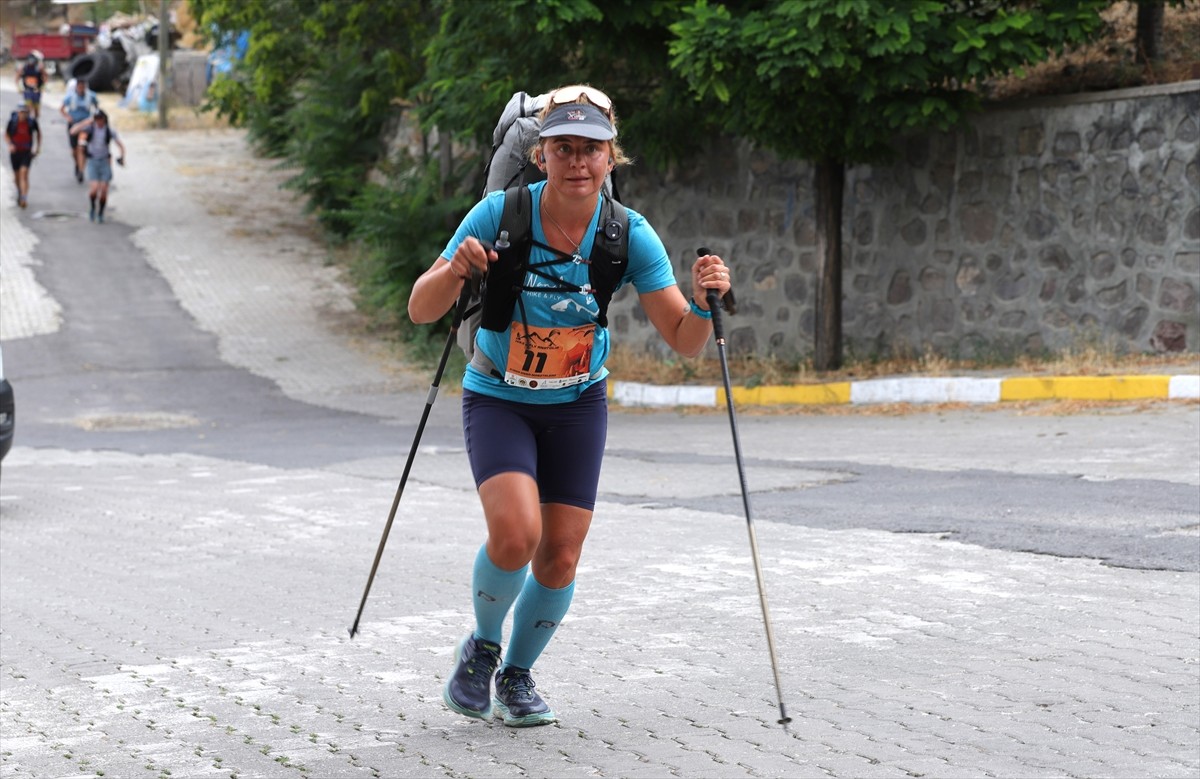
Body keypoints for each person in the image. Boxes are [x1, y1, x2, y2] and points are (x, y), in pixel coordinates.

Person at [407, 85, 732, 728]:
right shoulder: (498, 216)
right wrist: (455, 271)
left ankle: (517, 676)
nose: (577, 163)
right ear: (541, 154)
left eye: (591, 150)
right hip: (499, 396)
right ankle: (482, 647)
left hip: (578, 404)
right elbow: (420, 308)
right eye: (564, 149)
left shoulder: (627, 233)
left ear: (611, 159)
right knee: (516, 534)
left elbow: (685, 341)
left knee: (559, 554)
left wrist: (703, 301)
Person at [69, 110, 126, 223]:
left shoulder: (109, 131)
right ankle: (93, 208)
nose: (99, 122)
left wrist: (122, 157)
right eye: (97, 119)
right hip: (93, 161)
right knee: (94, 189)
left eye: (101, 119)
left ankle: (101, 212)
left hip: (105, 161)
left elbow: (120, 144)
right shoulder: (90, 129)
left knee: (104, 190)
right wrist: (86, 122)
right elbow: (73, 132)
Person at [61, 79, 99, 182]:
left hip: (85, 125)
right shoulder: (70, 97)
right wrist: (67, 117)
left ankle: (81, 171)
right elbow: (62, 108)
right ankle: (77, 163)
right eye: (79, 86)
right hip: (73, 125)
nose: (81, 89)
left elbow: (96, 108)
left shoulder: (91, 96)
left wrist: (93, 118)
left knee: (81, 146)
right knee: (74, 150)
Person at [5, 104, 41, 209]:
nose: (23, 115)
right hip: (15, 152)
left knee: (24, 174)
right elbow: (6, 134)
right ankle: (20, 191)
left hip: (26, 152)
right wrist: (10, 145)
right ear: (17, 112)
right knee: (16, 177)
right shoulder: (12, 122)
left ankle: (24, 197)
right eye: (21, 112)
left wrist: (37, 148)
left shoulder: (31, 123)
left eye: (25, 112)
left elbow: (38, 134)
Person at [16, 53, 47, 119]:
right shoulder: (24, 68)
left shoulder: (39, 68)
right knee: (28, 108)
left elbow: (45, 76)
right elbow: (17, 78)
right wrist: (19, 87)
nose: (31, 61)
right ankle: (29, 121)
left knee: (36, 111)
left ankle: (34, 121)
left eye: (32, 59)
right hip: (27, 91)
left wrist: (43, 87)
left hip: (36, 91)